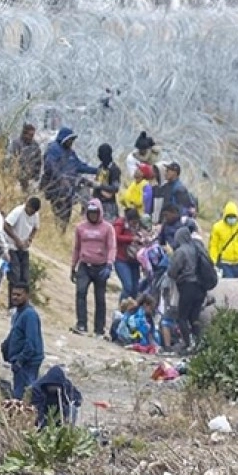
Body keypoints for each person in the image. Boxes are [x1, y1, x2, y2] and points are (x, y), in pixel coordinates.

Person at [70, 199, 116, 336]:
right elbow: (76, 248)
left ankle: (99, 328)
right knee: (80, 292)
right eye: (90, 213)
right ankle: (81, 323)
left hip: (101, 266)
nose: (93, 216)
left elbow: (112, 247)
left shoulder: (107, 228)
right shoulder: (80, 228)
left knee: (100, 298)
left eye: (95, 213)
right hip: (85, 265)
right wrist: (73, 266)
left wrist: (109, 264)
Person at [168, 224, 218, 343]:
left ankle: (187, 344)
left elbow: (173, 271)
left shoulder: (182, 251)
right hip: (201, 288)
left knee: (182, 317)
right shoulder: (198, 248)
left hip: (187, 287)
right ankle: (198, 342)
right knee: (194, 317)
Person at [41, 127, 98, 229]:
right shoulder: (53, 149)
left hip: (69, 190)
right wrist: (61, 178)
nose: (72, 142)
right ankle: (58, 233)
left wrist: (97, 170)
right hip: (56, 189)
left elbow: (79, 166)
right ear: (64, 139)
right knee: (60, 214)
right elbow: (51, 166)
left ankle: (62, 233)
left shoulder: (70, 153)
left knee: (67, 215)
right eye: (70, 140)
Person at [2, 283, 44, 399]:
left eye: (19, 295)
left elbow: (31, 342)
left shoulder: (30, 315)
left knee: (24, 397)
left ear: (26, 295)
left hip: (27, 363)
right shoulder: (18, 313)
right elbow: (16, 333)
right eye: (13, 294)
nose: (15, 297)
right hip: (19, 361)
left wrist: (20, 360)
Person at [2, 197, 40, 294]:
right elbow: (6, 225)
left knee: (25, 278)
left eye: (33, 212)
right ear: (27, 205)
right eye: (30, 211)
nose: (31, 213)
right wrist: (16, 239)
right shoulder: (18, 212)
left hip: (24, 249)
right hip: (12, 247)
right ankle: (12, 304)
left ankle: (21, 304)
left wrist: (29, 239)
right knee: (15, 276)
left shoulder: (35, 215)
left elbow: (35, 228)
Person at [209, 202, 238, 278]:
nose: (231, 218)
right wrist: (213, 262)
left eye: (233, 216)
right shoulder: (217, 228)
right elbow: (213, 246)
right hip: (225, 264)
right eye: (229, 216)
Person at [113, 207, 150, 301]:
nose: (134, 224)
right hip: (121, 258)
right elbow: (116, 237)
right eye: (133, 222)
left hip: (134, 260)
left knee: (135, 289)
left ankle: (131, 310)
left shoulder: (140, 226)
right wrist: (131, 238)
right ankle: (122, 309)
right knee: (128, 286)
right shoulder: (120, 223)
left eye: (136, 222)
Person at [7, 123, 43, 193]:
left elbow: (39, 162)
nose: (31, 137)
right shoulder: (15, 144)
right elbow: (10, 160)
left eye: (33, 135)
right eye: (30, 135)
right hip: (17, 179)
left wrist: (36, 177)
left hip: (30, 179)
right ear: (24, 134)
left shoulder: (35, 146)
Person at [93, 143, 122, 220]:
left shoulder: (114, 169)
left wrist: (100, 185)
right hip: (98, 203)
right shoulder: (101, 167)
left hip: (109, 206)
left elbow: (115, 188)